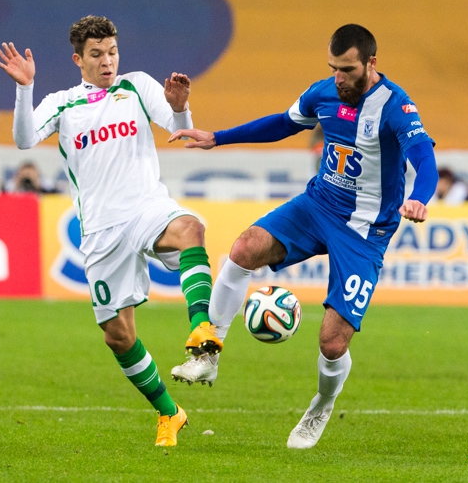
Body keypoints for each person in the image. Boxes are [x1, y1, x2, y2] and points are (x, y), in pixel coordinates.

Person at [169, 24, 439, 448]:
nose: (339, 78)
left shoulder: (396, 106)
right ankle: (208, 350)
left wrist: (420, 197)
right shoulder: (324, 93)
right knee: (243, 249)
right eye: (333, 68)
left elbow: (424, 157)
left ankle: (321, 406)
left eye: (347, 69)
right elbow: (282, 123)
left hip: (365, 230)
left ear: (371, 63)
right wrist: (217, 138)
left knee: (332, 343)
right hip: (318, 205)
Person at [0, 15, 223, 447]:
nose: (107, 61)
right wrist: (25, 89)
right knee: (119, 336)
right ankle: (170, 413)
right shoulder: (63, 103)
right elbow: (24, 139)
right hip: (101, 230)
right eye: (97, 54)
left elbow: (179, 129)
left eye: (112, 52)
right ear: (78, 59)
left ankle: (201, 330)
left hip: (145, 207)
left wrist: (179, 106)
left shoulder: (136, 85)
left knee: (191, 228)